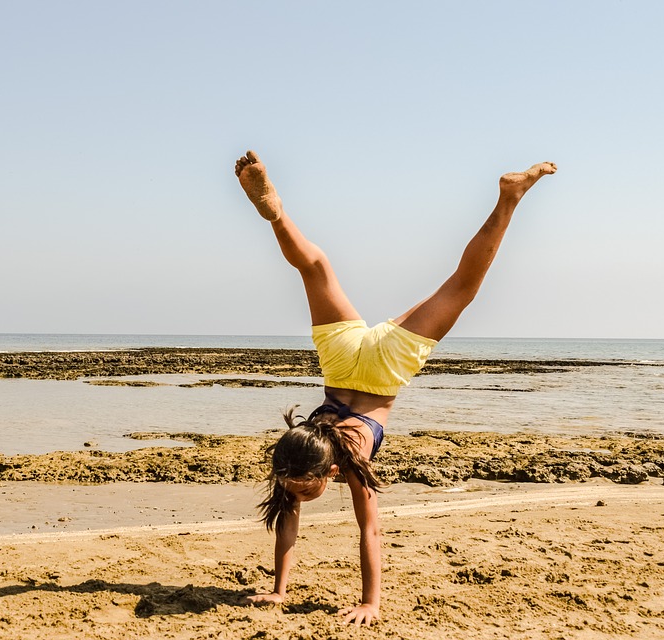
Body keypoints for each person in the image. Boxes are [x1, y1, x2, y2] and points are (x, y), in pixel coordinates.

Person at [234, 150, 556, 626]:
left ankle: (509, 197)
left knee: (463, 287)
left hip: (382, 371)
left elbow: (371, 532)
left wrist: (371, 603)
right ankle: (277, 214)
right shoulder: (296, 451)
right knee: (316, 268)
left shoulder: (352, 461)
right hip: (341, 359)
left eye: (303, 492)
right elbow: (292, 521)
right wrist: (279, 591)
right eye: (297, 490)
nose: (297, 498)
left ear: (326, 472)